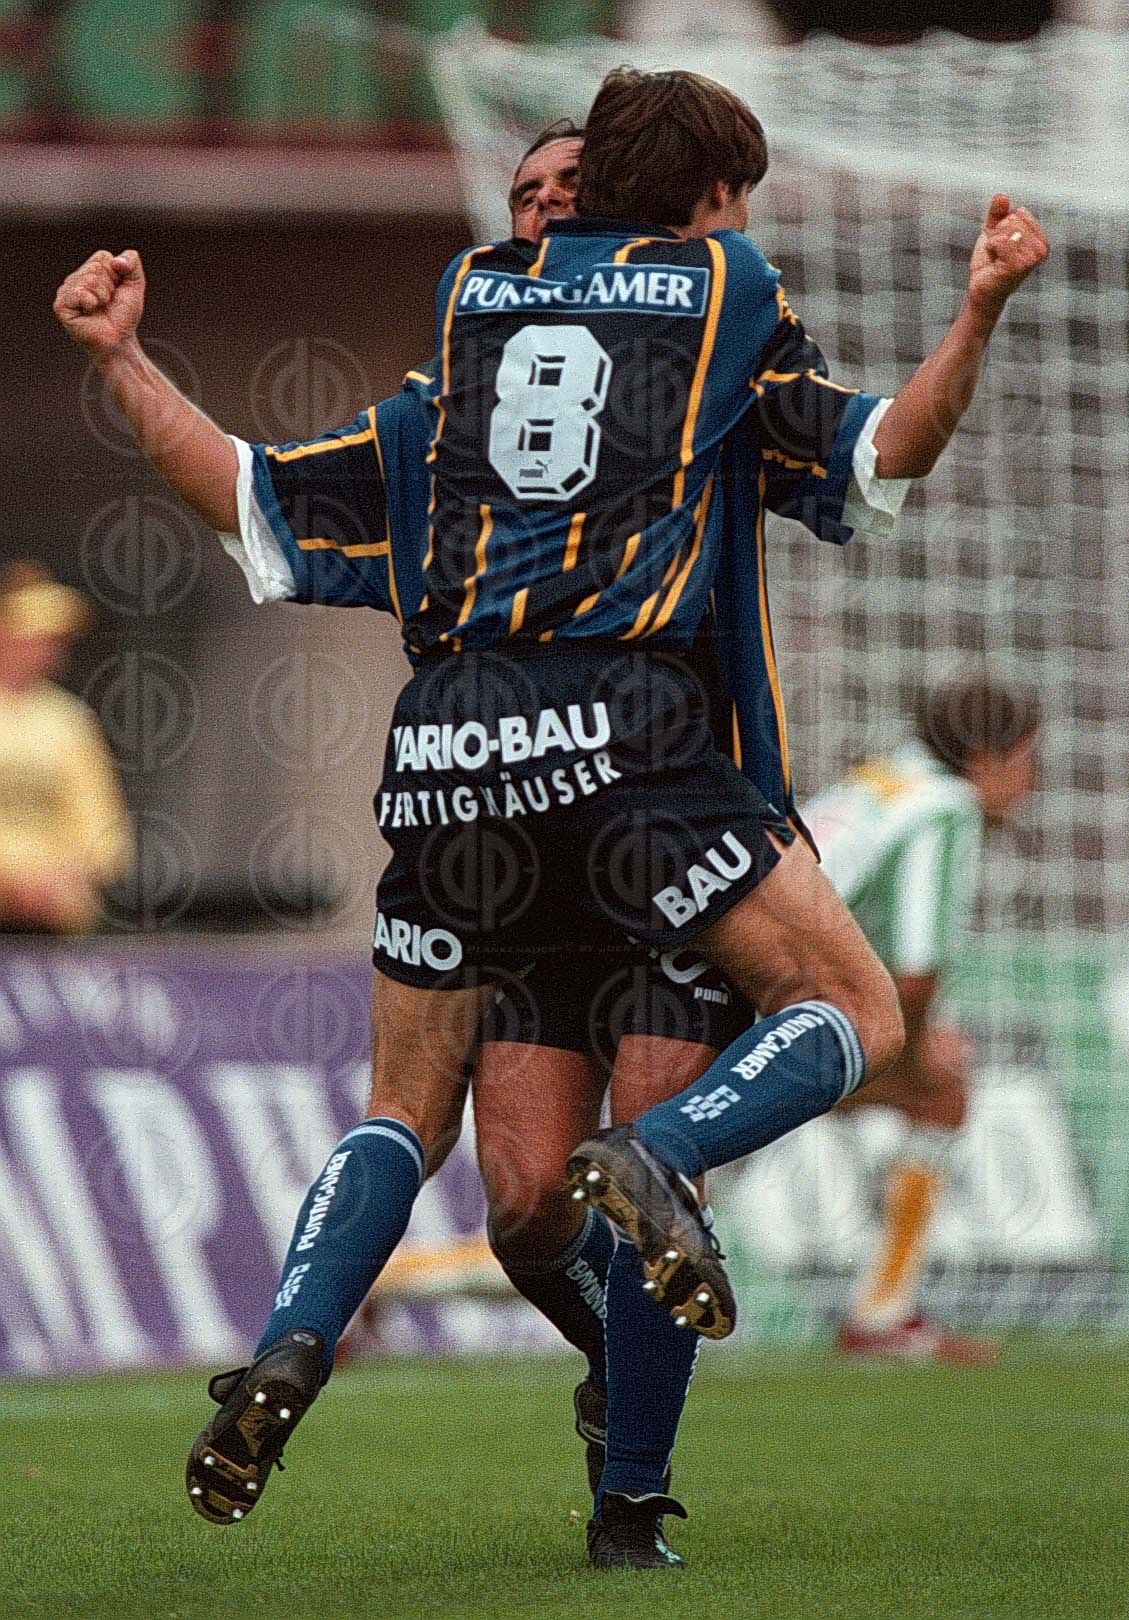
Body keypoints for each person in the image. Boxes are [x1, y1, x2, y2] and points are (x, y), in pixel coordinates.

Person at [53, 69, 1048, 1568]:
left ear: (605, 201)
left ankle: (596, 1493)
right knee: (554, 1196)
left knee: (471, 1129)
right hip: (639, 773)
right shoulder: (692, 315)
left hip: (473, 767)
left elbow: (253, 503)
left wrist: (125, 364)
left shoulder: (469, 335)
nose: (545, 211)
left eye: (567, 191)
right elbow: (265, 499)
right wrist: (973, 312)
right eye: (524, 196)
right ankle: (624, 1382)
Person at [798, 678, 1039, 1363]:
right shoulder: (944, 808)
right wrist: (911, 1053)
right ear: (988, 758)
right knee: (940, 1092)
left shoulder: (886, 778)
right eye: (1027, 761)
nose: (1029, 784)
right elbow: (915, 972)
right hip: (766, 1008)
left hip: (722, 981)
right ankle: (881, 1317)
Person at [0, 562, 133, 934]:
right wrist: (10, 883)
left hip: (52, 917)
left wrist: (63, 876)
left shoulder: (69, 721)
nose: (48, 649)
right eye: (36, 635)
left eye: (55, 639)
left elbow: (105, 830)